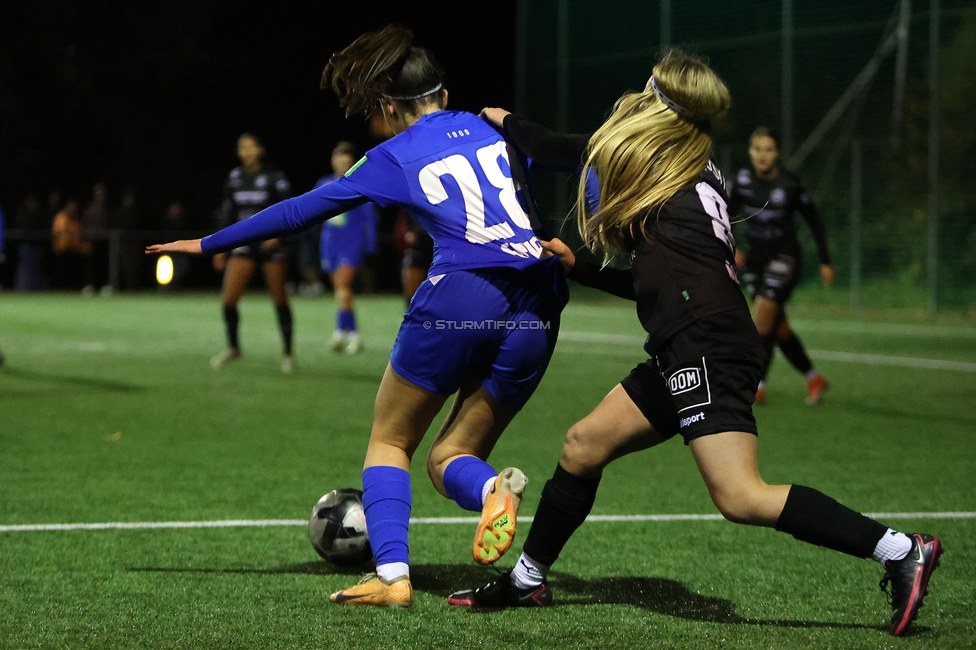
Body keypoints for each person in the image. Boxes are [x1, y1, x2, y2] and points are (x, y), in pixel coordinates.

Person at [447, 51, 942, 639]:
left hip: (704, 342)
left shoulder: (651, 157)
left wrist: (507, 122)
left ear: (659, 104)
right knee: (582, 446)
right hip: (694, 337)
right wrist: (579, 264)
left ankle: (899, 550)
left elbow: (558, 149)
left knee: (740, 495)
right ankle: (528, 581)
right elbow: (656, 284)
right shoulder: (694, 167)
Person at [148, 24, 567, 609]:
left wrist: (210, 243)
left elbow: (301, 211)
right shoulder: (494, 126)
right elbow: (577, 165)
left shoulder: (392, 154)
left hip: (462, 293)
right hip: (539, 297)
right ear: (445, 96)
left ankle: (393, 577)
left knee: (391, 441)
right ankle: (493, 488)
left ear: (390, 108)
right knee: (449, 457)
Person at [728, 128, 833, 405]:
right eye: (757, 149)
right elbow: (724, 215)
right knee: (778, 328)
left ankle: (756, 386)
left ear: (778, 154)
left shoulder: (789, 184)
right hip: (755, 261)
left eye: (768, 150)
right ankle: (814, 379)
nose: (762, 155)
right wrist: (731, 246)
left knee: (761, 319)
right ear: (750, 153)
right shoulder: (742, 181)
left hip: (785, 258)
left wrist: (825, 260)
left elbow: (814, 220)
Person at [210, 133, 296, 373]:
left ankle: (288, 353)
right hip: (244, 244)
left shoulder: (274, 177)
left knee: (279, 299)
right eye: (242, 148)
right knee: (228, 300)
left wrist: (278, 236)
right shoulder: (235, 178)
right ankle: (234, 348)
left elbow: (290, 209)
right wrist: (220, 247)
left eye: (251, 147)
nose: (247, 152)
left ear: (260, 150)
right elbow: (227, 214)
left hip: (270, 246)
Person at [316, 141, 380, 354]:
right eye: (339, 159)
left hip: (351, 245)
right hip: (330, 245)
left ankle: (339, 333)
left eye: (346, 160)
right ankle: (354, 336)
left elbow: (368, 219)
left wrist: (370, 246)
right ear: (332, 161)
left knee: (343, 288)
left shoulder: (359, 184)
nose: (342, 163)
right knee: (342, 292)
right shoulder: (323, 183)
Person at [81, 182, 111, 296]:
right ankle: (89, 286)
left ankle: (105, 286)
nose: (100, 195)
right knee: (91, 265)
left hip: (103, 240)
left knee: (103, 264)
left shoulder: (107, 208)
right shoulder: (90, 207)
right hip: (93, 240)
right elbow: (85, 222)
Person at [51, 199, 87, 290]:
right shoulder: (61, 217)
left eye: (75, 208)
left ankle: (73, 288)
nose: (73, 209)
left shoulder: (76, 220)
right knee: (62, 272)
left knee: (73, 273)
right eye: (71, 207)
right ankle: (61, 289)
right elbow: (58, 232)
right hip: (62, 249)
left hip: (73, 250)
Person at [15, 194, 48, 291]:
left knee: (35, 268)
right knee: (25, 268)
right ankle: (23, 288)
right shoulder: (23, 214)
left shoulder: (39, 215)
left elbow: (42, 226)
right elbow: (21, 226)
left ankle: (34, 288)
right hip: (26, 246)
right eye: (30, 203)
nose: (32, 205)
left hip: (37, 246)